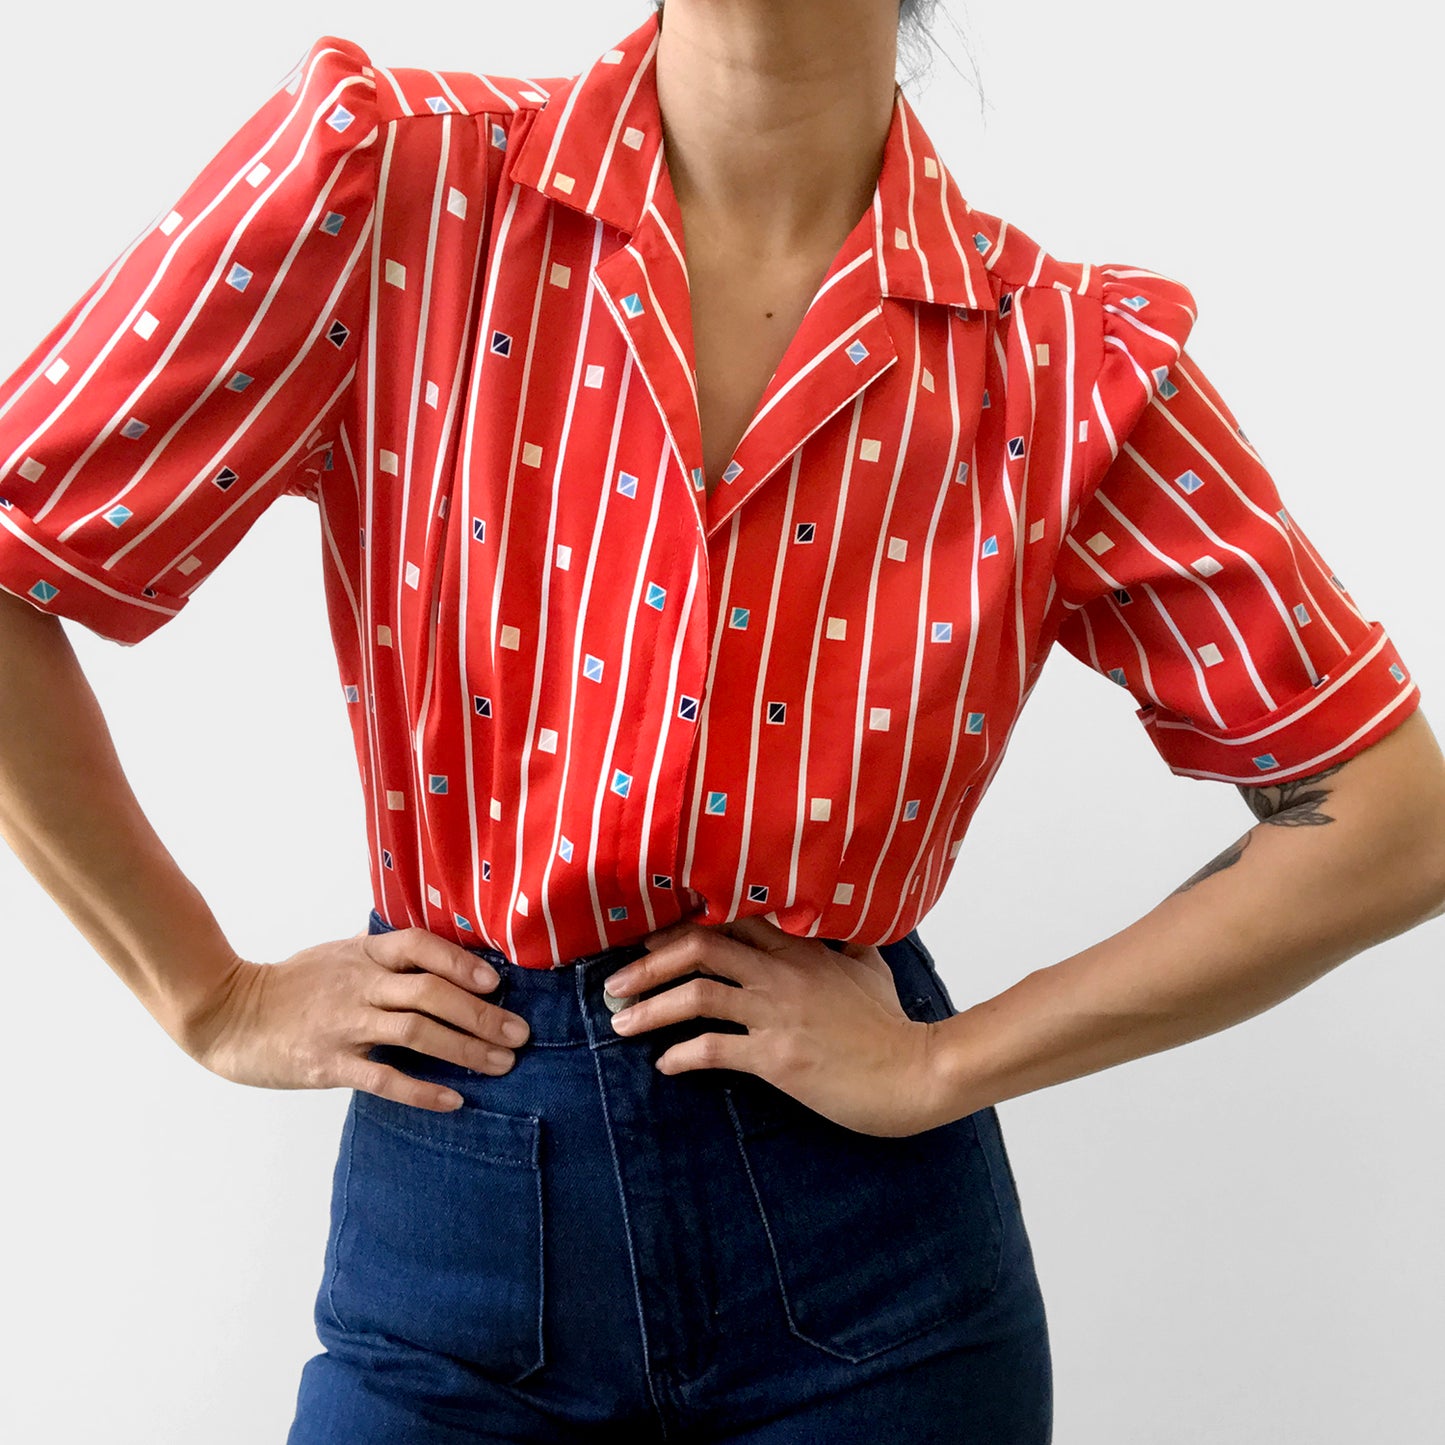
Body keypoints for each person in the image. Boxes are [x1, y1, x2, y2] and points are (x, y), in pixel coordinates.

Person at [1, 2, 1441, 1440]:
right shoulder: (394, 183)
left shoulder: (1063, 364)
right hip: (455, 1207)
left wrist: (948, 1058)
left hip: (870, 1284)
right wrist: (207, 992)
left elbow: (1392, 815)